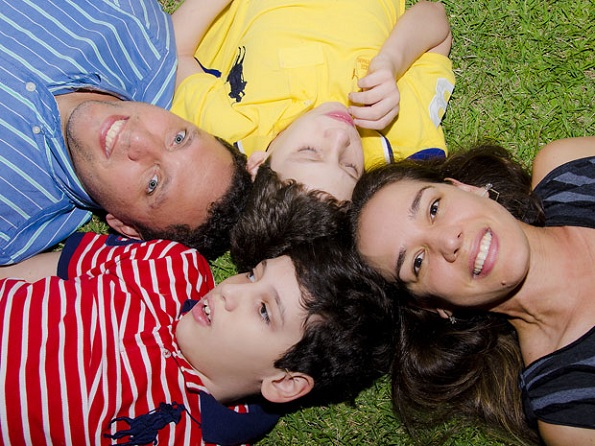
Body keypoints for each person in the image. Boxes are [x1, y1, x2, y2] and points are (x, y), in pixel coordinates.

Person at [0, 226, 395, 444]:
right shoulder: (173, 266)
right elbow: (60, 267)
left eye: (263, 311)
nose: (231, 290)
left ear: (285, 382)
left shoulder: (191, 435)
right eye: (254, 273)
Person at [349, 136, 595, 445]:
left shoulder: (571, 167)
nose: (448, 241)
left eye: (434, 208)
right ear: (433, 306)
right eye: (418, 262)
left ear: (465, 188)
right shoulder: (570, 409)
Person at [0, 0, 251, 266]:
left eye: (152, 184)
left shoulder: (11, 221)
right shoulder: (133, 26)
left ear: (124, 226)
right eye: (178, 139)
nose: (138, 140)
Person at [172, 0, 455, 201]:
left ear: (258, 166)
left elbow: (177, 52)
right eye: (350, 166)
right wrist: (392, 61)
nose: (339, 138)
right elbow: (435, 17)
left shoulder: (232, 131)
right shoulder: (388, 133)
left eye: (310, 152)